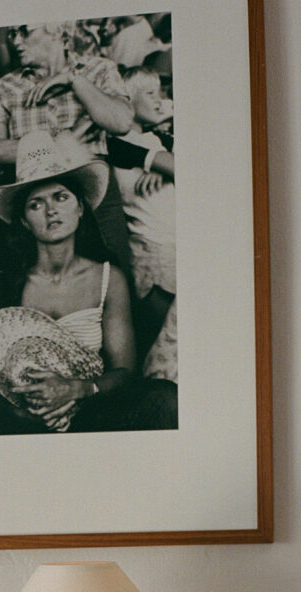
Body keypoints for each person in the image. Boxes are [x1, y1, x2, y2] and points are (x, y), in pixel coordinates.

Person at [0, 130, 176, 434]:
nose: (51, 210)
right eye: (36, 204)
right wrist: (25, 409)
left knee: (164, 397)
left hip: (93, 408)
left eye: (61, 197)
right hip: (30, 419)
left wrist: (76, 390)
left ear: (80, 209)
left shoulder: (107, 277)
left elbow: (125, 372)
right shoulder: (8, 284)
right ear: (25, 222)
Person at [0, 23, 134, 277]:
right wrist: (62, 141)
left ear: (61, 35)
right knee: (38, 277)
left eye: (24, 32)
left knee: (112, 270)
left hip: (94, 185)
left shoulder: (98, 69)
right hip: (32, 190)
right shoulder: (5, 86)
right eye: (12, 34)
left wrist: (75, 81)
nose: (15, 41)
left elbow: (121, 122)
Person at [111, 66, 177, 381]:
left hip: (170, 246)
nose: (160, 100)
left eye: (160, 92)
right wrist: (165, 164)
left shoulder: (157, 139)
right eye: (149, 94)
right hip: (155, 253)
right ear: (126, 100)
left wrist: (163, 164)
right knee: (156, 348)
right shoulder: (121, 143)